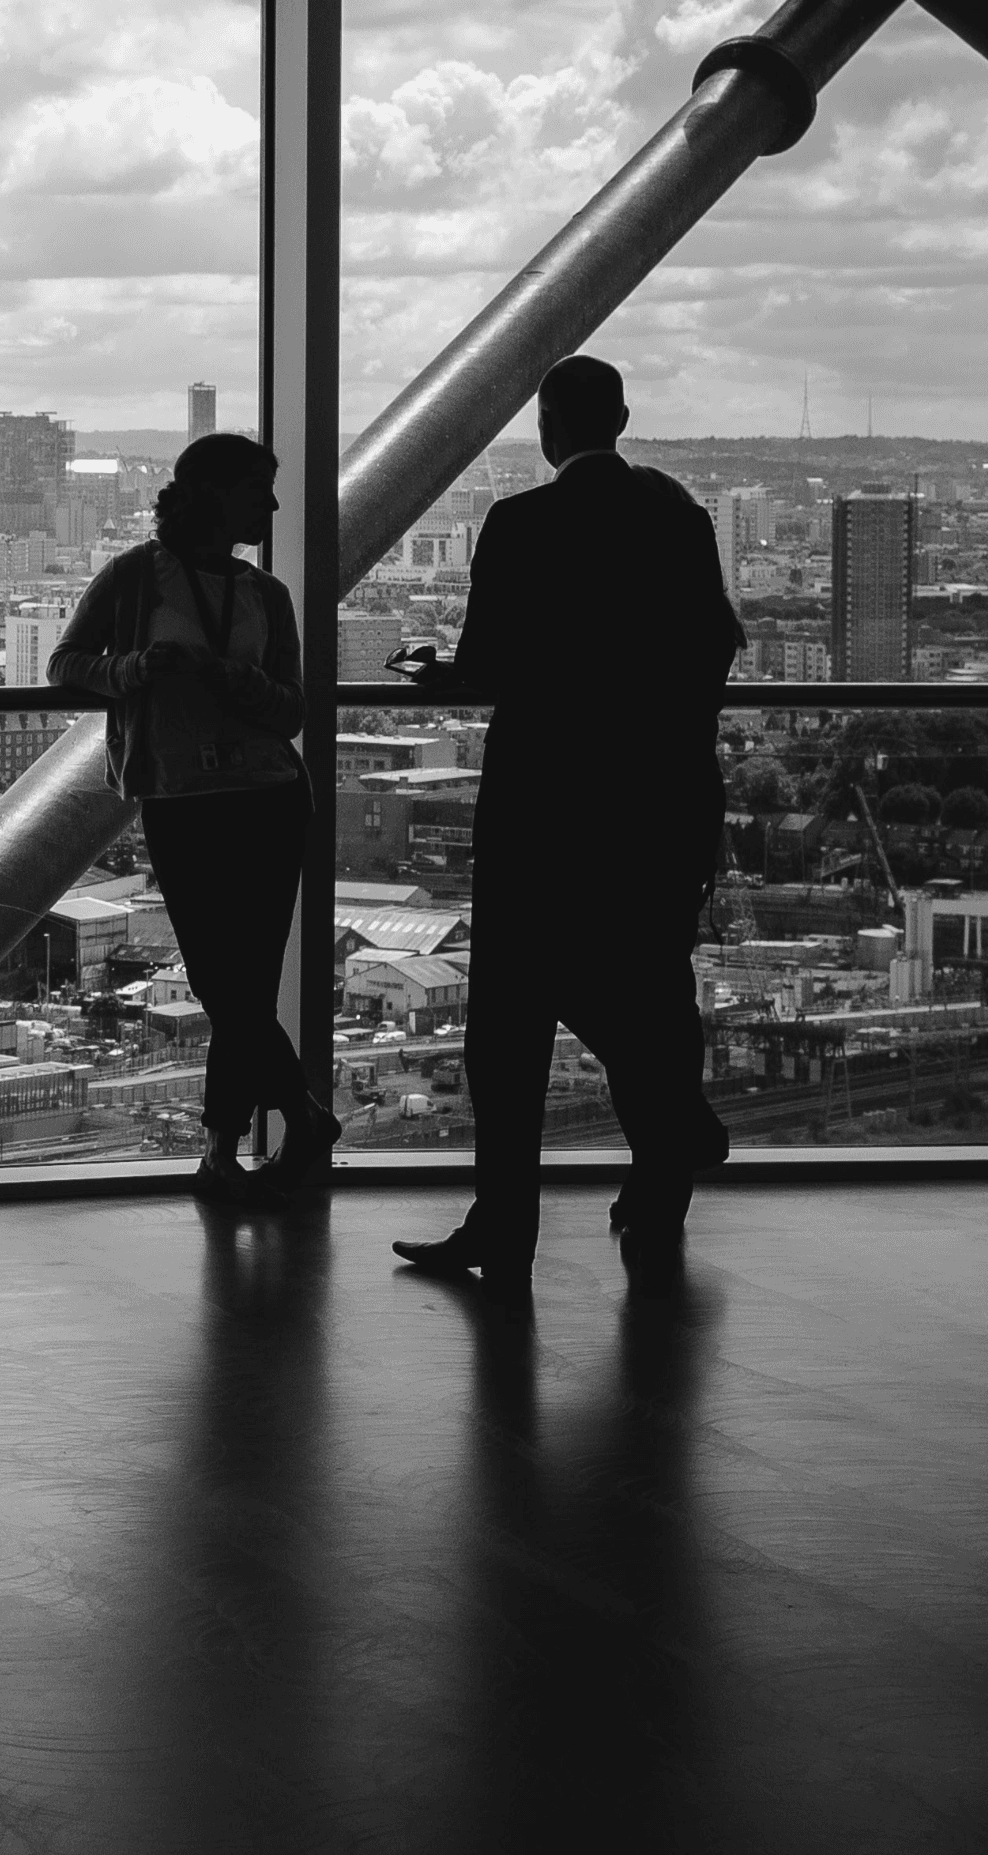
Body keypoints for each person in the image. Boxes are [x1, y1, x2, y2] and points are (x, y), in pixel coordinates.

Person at [392, 355, 741, 1293]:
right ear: (622, 418)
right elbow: (714, 650)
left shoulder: (521, 522)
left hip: (545, 801)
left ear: (547, 430)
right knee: (653, 984)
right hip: (658, 802)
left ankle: (506, 1225)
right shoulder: (682, 523)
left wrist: (440, 678)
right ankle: (662, 1167)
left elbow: (490, 666)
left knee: (510, 1020)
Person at [49, 432, 340, 1204]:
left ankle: (223, 1151)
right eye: (258, 488)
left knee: (234, 986)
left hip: (265, 798)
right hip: (190, 800)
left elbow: (290, 709)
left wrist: (223, 675)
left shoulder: (265, 594)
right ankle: (299, 1119)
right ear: (212, 493)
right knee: (229, 985)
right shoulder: (135, 579)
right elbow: (68, 664)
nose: (273, 505)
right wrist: (137, 670)